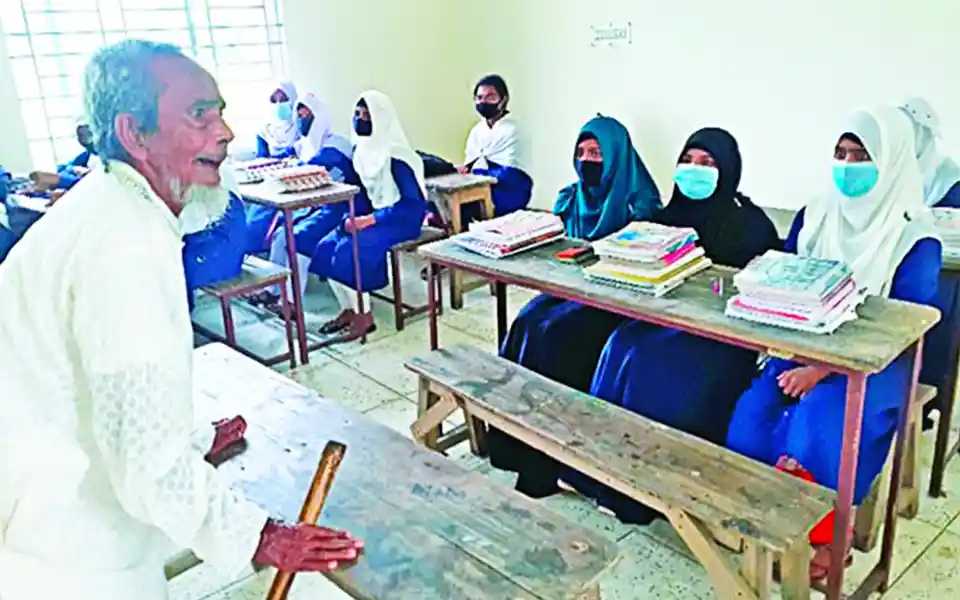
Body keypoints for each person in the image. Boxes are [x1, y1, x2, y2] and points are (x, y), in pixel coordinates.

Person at [0, 40, 362, 600]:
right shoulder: (125, 245)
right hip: (64, 557)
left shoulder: (111, 207)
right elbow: (146, 463)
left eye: (220, 111)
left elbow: (104, 393)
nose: (225, 132)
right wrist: (260, 536)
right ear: (134, 133)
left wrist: (189, 439)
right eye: (199, 114)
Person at [726, 106, 941, 582]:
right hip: (799, 347)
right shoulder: (816, 214)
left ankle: (824, 539)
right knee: (751, 414)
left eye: (862, 155)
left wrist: (823, 368)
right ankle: (766, 528)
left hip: (877, 363)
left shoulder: (914, 239)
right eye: (840, 152)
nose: (847, 164)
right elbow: (779, 277)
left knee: (819, 422)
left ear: (892, 162)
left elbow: (897, 330)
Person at [568, 127, 782, 523]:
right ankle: (604, 471)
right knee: (620, 348)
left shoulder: (753, 226)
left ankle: (645, 488)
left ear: (729, 170)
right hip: (664, 321)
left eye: (708, 163)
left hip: (722, 339)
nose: (694, 169)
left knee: (648, 365)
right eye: (688, 160)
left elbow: (760, 294)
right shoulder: (669, 216)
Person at [487, 115, 660, 494]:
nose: (587, 160)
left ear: (616, 155)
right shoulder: (571, 196)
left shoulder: (641, 202)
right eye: (581, 152)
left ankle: (547, 462)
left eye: (597, 152)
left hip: (616, 300)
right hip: (570, 289)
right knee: (526, 322)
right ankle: (510, 442)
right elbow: (556, 247)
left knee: (555, 336)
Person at [307, 90, 427, 341]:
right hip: (375, 216)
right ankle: (348, 309)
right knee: (327, 245)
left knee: (351, 249)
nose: (360, 120)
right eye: (357, 114)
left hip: (401, 221)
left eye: (367, 115)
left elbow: (413, 205)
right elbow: (364, 195)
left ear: (380, 119)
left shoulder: (397, 156)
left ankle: (365, 316)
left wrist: (368, 220)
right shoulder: (361, 152)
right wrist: (352, 218)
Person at [249, 92, 359, 310]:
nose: (301, 120)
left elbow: (315, 165)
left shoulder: (337, 143)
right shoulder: (304, 145)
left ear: (319, 116)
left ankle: (292, 302)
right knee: (281, 236)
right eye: (298, 115)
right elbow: (282, 160)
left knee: (298, 237)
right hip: (315, 205)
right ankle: (274, 291)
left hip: (342, 207)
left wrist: (291, 168)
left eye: (307, 115)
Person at [898, 97, 960, 427]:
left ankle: (929, 401)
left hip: (944, 276)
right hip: (903, 269)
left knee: (934, 329)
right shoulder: (890, 174)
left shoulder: (949, 180)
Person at [182, 167, 249, 311]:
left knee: (169, 269)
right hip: (203, 242)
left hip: (220, 253)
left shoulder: (207, 172)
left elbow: (188, 224)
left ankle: (182, 321)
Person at [28, 120, 101, 192]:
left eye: (88, 135)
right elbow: (71, 166)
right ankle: (48, 182)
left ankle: (53, 180)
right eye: (82, 136)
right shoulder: (87, 155)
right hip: (77, 172)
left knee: (75, 180)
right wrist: (75, 169)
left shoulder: (104, 155)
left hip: (86, 178)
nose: (85, 139)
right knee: (67, 170)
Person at [255, 80, 300, 159]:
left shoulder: (302, 127)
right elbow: (261, 160)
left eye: (284, 100)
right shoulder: (265, 131)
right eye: (274, 101)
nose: (278, 105)